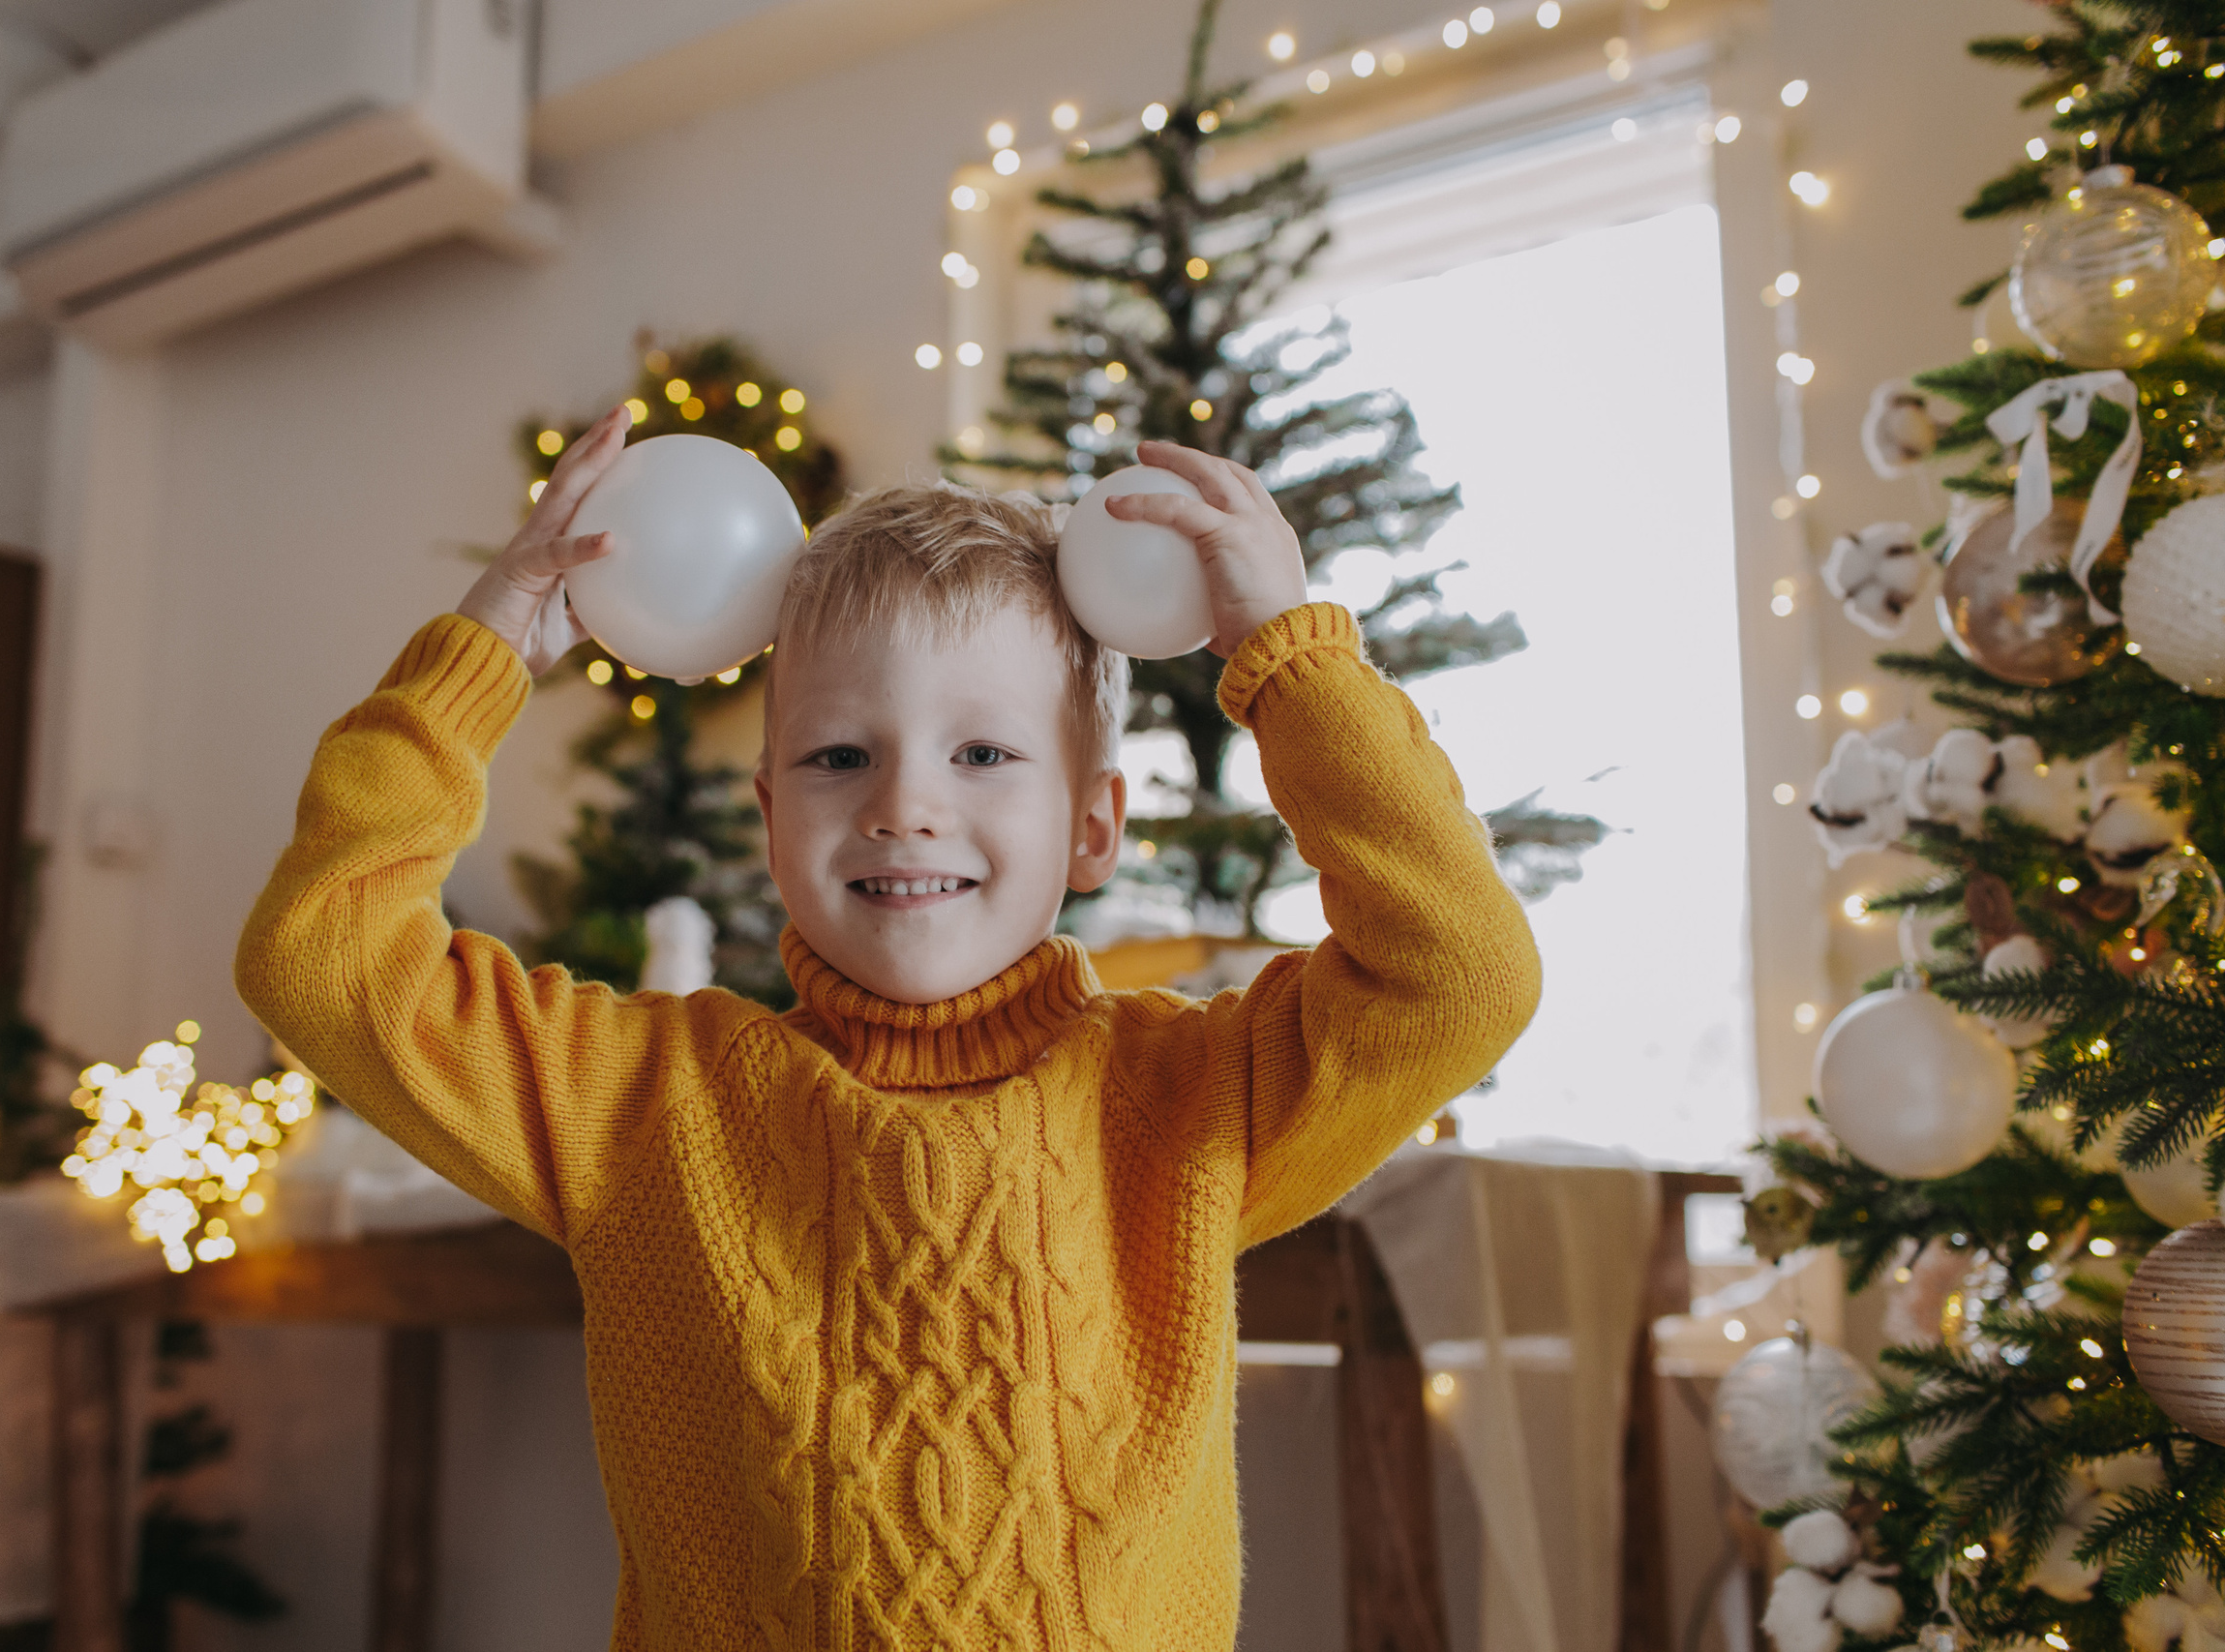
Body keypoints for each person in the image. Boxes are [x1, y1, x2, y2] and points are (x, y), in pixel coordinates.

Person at [235, 404, 1539, 1649]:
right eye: (838, 757)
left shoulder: (1185, 1097)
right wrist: (481, 661)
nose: (904, 806)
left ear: (1094, 824)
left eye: (983, 756)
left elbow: (1462, 973)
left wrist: (1295, 665)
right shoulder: (642, 1104)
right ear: (769, 814)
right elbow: (321, 953)